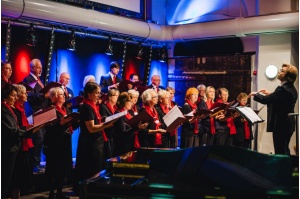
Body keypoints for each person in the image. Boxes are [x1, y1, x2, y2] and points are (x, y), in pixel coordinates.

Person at [248, 64, 298, 155]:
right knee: (284, 149)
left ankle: (283, 168)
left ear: (288, 76)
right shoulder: (289, 88)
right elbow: (279, 99)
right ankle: (285, 168)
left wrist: (255, 94)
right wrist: (270, 93)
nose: (279, 72)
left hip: (282, 124)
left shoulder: (284, 89)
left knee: (281, 151)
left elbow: (265, 100)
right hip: (287, 124)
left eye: (282, 71)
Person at [73, 82, 113, 192]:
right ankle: (88, 192)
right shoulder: (86, 107)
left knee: (96, 168)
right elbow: (91, 128)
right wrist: (107, 124)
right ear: (89, 93)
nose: (98, 95)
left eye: (99, 93)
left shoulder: (92, 105)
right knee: (91, 169)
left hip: (96, 142)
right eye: (96, 93)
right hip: (90, 143)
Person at [1, 84, 35, 198]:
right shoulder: (3, 109)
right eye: (13, 96)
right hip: (7, 149)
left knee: (7, 180)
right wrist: (28, 129)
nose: (15, 98)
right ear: (5, 96)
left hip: (13, 147)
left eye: (16, 95)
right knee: (5, 181)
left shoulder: (8, 108)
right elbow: (12, 130)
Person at [44, 87, 77, 199]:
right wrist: (61, 124)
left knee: (62, 168)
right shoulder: (50, 109)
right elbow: (48, 129)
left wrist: (76, 121)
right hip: (55, 143)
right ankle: (52, 193)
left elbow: (69, 124)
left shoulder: (65, 109)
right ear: (55, 97)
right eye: (62, 94)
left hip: (65, 141)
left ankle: (59, 192)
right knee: (54, 168)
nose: (64, 96)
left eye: (64, 94)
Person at [23, 58, 48, 173]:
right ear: (32, 68)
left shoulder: (40, 80)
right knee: (37, 138)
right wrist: (45, 96)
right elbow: (31, 97)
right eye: (38, 67)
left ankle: (37, 163)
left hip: (43, 113)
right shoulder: (27, 80)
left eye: (41, 67)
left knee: (41, 139)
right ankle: (34, 165)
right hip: (34, 113)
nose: (40, 69)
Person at [113, 92, 148, 156]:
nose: (132, 104)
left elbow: (130, 127)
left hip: (130, 142)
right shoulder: (119, 114)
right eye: (130, 101)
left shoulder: (126, 112)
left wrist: (140, 126)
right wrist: (137, 127)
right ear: (124, 102)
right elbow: (123, 132)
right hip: (123, 145)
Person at [100, 89, 120, 159]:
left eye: (118, 96)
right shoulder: (103, 107)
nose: (117, 97)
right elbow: (104, 120)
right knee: (108, 155)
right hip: (107, 134)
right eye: (116, 96)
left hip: (114, 134)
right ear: (110, 97)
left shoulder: (116, 108)